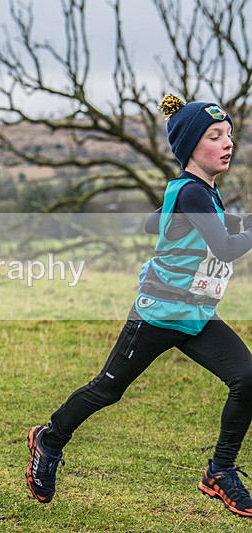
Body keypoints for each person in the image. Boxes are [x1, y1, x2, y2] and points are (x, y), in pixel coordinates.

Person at [26, 94, 252, 518]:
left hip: (196, 316)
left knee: (247, 377)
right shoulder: (193, 193)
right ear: (189, 149)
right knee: (107, 390)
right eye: (214, 136)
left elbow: (159, 222)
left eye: (230, 136)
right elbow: (223, 248)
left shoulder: (198, 193)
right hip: (158, 316)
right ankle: (50, 439)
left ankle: (220, 471)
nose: (227, 144)